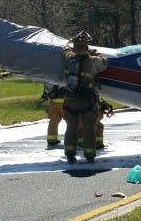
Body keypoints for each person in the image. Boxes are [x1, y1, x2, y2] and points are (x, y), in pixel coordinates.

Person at [62, 31, 108, 163]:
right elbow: (105, 62)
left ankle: (70, 154)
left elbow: (65, 50)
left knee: (71, 127)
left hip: (70, 100)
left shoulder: (69, 58)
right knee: (88, 127)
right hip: (86, 101)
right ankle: (89, 155)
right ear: (86, 47)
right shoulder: (93, 60)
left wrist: (70, 46)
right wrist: (94, 52)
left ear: (75, 47)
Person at [41, 82, 65, 147]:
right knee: (72, 122)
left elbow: (47, 88)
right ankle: (73, 139)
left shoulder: (52, 75)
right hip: (66, 102)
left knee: (53, 122)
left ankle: (51, 139)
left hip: (54, 102)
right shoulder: (67, 75)